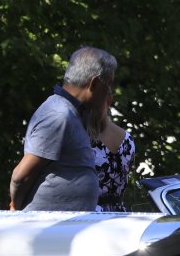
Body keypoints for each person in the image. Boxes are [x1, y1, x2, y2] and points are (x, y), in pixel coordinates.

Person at [11, 46, 116, 211]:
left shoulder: (73, 113)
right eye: (108, 85)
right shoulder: (59, 114)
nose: (109, 93)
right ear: (94, 83)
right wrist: (15, 209)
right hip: (46, 223)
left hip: (62, 223)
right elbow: (20, 177)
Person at [91, 81, 136, 212]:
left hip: (89, 214)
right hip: (117, 214)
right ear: (109, 100)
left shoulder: (82, 137)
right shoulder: (128, 139)